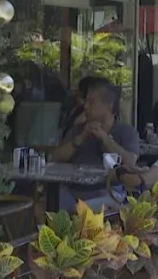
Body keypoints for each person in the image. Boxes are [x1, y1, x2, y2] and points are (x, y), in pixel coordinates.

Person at [53, 78, 140, 209]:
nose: (85, 106)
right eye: (86, 101)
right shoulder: (78, 129)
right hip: (72, 192)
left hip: (107, 192)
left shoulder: (126, 131)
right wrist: (81, 138)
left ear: (109, 105)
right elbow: (56, 157)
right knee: (47, 203)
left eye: (91, 102)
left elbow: (130, 163)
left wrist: (105, 139)